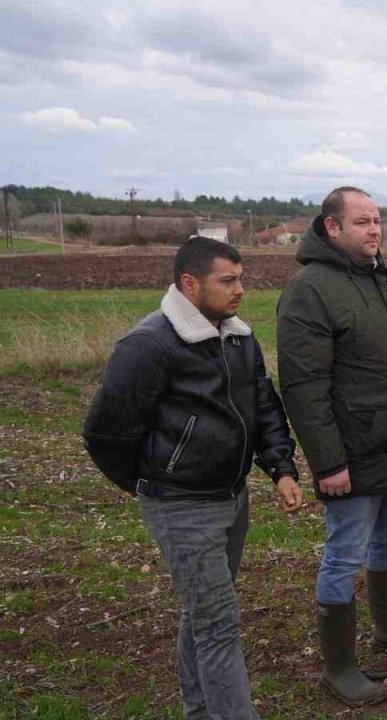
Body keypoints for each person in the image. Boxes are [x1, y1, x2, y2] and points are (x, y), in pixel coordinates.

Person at [83, 237, 303, 719]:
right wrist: (151, 482)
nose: (240, 289)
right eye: (228, 280)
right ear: (189, 283)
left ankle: (201, 709)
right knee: (219, 625)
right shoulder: (150, 344)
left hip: (232, 498)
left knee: (203, 614)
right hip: (181, 505)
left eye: (240, 278)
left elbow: (263, 405)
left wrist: (281, 469)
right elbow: (104, 430)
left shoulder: (239, 337)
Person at [277, 186, 387, 706]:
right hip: (354, 455)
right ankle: (340, 666)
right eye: (362, 222)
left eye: (377, 221)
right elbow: (304, 386)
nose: (374, 230)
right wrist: (328, 462)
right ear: (331, 227)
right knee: (343, 554)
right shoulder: (310, 290)